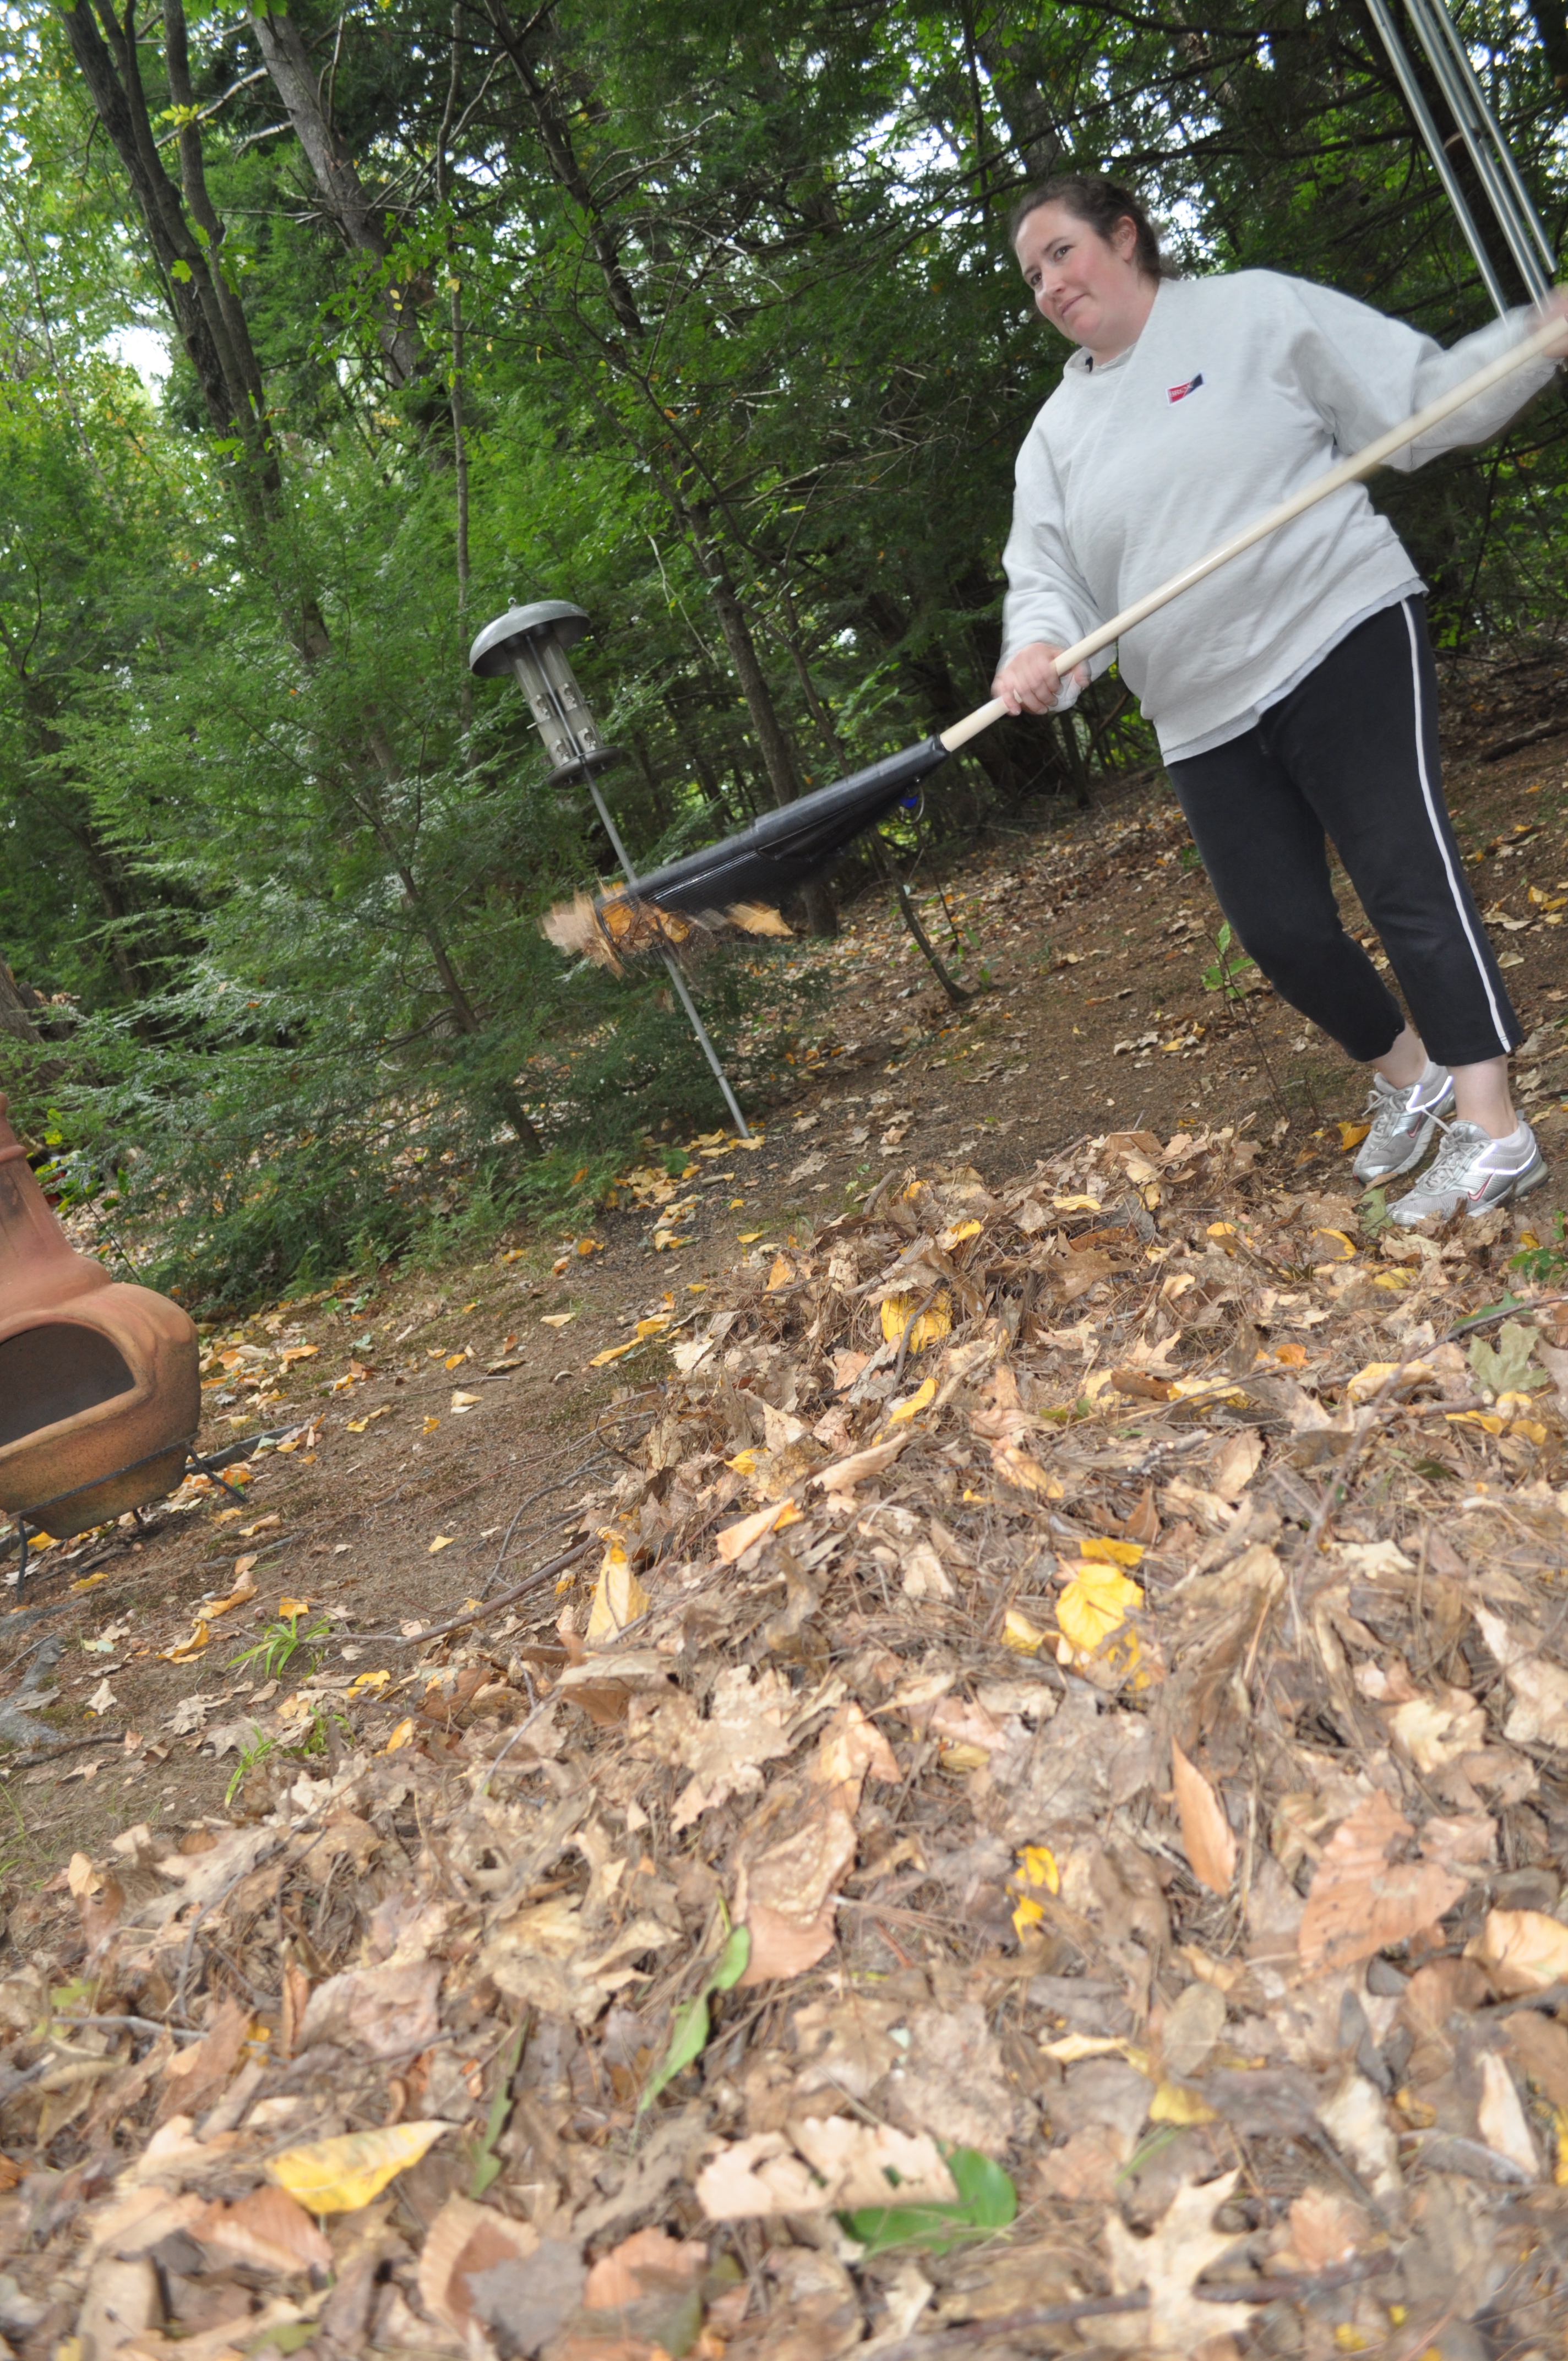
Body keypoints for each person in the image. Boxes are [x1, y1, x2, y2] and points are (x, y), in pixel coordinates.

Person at [993, 174, 1568, 1225]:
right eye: (1033, 275)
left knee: (1404, 875)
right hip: (1199, 711)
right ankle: (1413, 1080)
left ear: (1125, 237)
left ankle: (1494, 1130)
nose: (1049, 286)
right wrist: (1038, 648)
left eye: (1062, 253)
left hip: (1337, 627)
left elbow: (1420, 399)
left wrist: (1532, 343)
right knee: (1282, 932)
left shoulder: (1252, 311)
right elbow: (1047, 581)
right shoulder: (1054, 437)